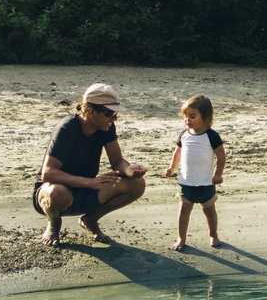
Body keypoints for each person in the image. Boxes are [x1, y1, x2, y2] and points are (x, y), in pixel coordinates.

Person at [33, 83, 148, 246]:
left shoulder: (106, 127)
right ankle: (54, 223)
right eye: (109, 113)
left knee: (137, 184)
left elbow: (117, 162)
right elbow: (48, 173)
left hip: (87, 190)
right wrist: (90, 182)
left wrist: (128, 170)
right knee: (56, 192)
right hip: (52, 194)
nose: (114, 118)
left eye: (115, 113)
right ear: (90, 111)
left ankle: (90, 219)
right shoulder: (67, 129)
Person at [164, 95, 226, 251]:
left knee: (210, 211)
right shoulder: (184, 134)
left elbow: (221, 155)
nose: (187, 120)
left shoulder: (211, 136)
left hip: (206, 182)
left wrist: (218, 174)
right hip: (186, 182)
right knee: (183, 211)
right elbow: (178, 152)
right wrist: (172, 167)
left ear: (205, 117)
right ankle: (181, 238)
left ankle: (213, 234)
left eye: (192, 116)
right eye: (186, 116)